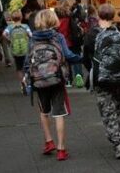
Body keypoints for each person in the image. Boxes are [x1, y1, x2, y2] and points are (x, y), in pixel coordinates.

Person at [24, 9, 81, 161]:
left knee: (44, 112)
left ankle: (49, 141)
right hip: (57, 79)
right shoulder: (58, 37)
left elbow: (27, 61)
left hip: (39, 81)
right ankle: (61, 149)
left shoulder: (33, 39)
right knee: (59, 113)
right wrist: (81, 59)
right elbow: (68, 55)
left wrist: (27, 78)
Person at [90, 4, 120, 159]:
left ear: (98, 16)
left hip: (102, 79)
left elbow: (89, 57)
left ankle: (118, 145)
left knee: (108, 112)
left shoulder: (94, 34)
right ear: (114, 16)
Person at [55, 0, 83, 88]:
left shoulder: (56, 18)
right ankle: (78, 75)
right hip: (73, 41)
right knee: (76, 59)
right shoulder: (71, 17)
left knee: (65, 62)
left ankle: (68, 81)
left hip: (62, 42)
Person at [3, 10, 32, 95]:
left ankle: (22, 83)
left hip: (16, 51)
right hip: (25, 50)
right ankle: (27, 82)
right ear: (21, 17)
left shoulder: (10, 27)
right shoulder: (25, 26)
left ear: (12, 18)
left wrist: (10, 40)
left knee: (19, 68)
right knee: (27, 66)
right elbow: (31, 35)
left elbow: (4, 34)